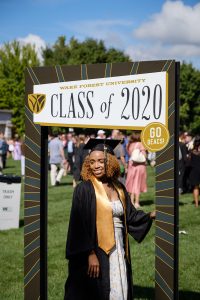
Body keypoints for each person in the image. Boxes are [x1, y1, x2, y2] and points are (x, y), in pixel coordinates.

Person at [64, 138, 155, 300]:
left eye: (100, 161)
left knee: (117, 285)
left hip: (118, 248)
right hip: (94, 248)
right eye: (92, 162)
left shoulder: (119, 188)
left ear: (111, 162)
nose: (96, 165)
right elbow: (79, 226)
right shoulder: (84, 189)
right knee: (96, 290)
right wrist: (90, 254)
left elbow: (131, 217)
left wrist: (150, 215)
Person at [125, 132, 147, 208]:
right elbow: (144, 155)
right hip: (139, 165)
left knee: (131, 183)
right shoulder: (141, 144)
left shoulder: (129, 145)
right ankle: (137, 202)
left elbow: (129, 154)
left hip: (131, 164)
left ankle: (131, 202)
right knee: (137, 183)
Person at [188, 135, 200, 207]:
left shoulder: (191, 152)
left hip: (194, 171)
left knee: (195, 187)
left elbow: (188, 162)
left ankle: (196, 204)